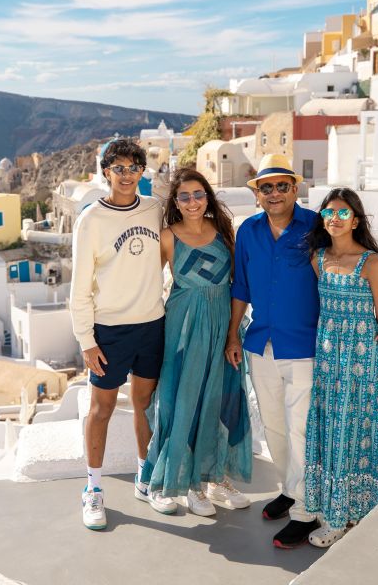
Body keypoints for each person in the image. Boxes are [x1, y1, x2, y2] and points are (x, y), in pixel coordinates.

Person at [225, 155, 378, 549]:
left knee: (303, 430)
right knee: (273, 425)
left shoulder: (316, 226)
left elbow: (363, 264)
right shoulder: (248, 231)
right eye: (266, 187)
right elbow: (240, 288)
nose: (274, 193)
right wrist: (234, 336)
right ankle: (291, 489)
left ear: (295, 189)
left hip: (307, 348)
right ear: (257, 193)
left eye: (282, 185)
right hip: (260, 343)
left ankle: (305, 510)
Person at [70, 138, 175, 530]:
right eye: (119, 168)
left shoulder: (153, 209)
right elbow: (79, 287)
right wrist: (86, 340)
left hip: (152, 324)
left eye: (134, 168)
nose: (127, 175)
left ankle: (146, 478)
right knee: (102, 410)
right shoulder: (90, 220)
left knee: (145, 405)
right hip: (109, 332)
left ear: (141, 173)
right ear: (106, 172)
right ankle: (93, 489)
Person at [141, 168, 253, 516]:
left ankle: (215, 477)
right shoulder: (167, 237)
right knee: (179, 403)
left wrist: (234, 332)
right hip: (183, 327)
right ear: (175, 202)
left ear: (208, 197)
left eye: (198, 194)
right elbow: (145, 285)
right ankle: (179, 483)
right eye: (184, 196)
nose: (192, 202)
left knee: (221, 399)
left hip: (222, 324)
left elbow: (238, 285)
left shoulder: (223, 232)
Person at [303, 188, 378, 547]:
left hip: (363, 364)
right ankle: (337, 513)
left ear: (356, 220)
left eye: (343, 214)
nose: (335, 219)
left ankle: (352, 515)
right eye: (329, 213)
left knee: (357, 434)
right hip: (330, 364)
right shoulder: (318, 259)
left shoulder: (371, 263)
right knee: (334, 435)